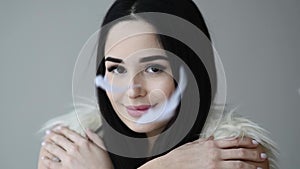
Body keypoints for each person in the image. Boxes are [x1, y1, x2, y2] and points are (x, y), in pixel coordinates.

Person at [38, 0, 278, 169]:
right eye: (117, 69)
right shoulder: (70, 152)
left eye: (153, 69)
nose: (132, 90)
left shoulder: (232, 156)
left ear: (192, 71)